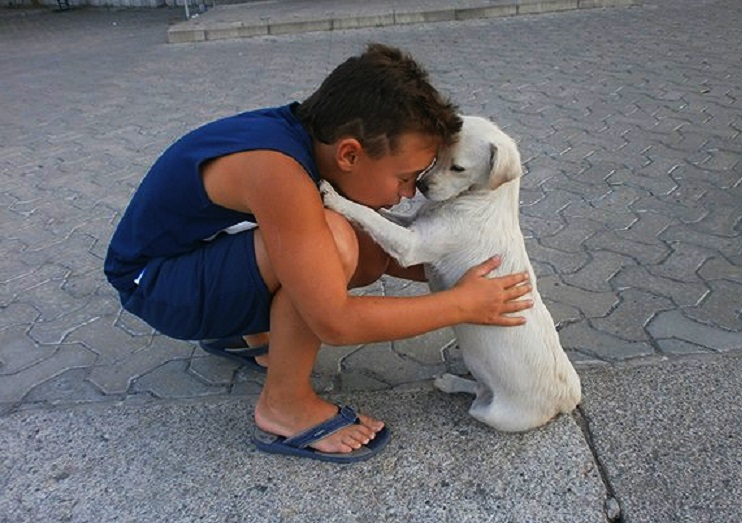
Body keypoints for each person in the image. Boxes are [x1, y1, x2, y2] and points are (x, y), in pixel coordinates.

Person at [104, 43, 533, 463]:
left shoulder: (305, 137)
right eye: (404, 178)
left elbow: (385, 257)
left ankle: (250, 333)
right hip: (156, 285)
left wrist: (474, 274)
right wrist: (460, 305)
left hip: (192, 259)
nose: (408, 195)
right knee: (333, 241)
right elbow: (335, 322)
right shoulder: (276, 171)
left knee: (362, 246)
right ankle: (284, 405)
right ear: (350, 153)